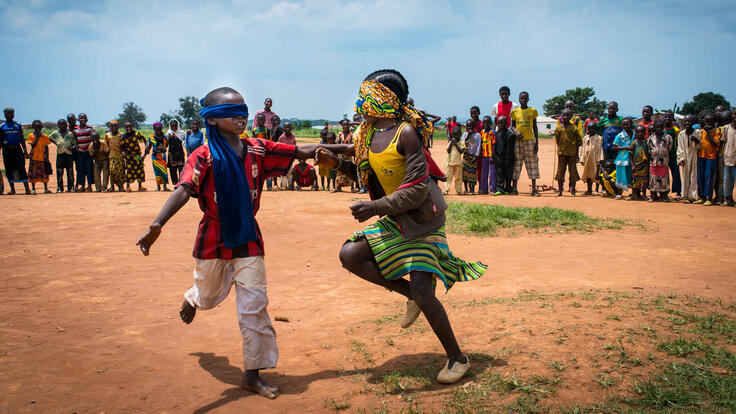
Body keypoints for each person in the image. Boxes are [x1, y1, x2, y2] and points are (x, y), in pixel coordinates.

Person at [136, 86, 326, 399]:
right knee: (210, 297)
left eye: (242, 111)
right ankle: (194, 296)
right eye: (230, 113)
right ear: (213, 120)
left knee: (254, 308)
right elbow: (184, 188)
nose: (240, 117)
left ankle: (252, 374)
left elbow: (300, 152)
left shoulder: (257, 149)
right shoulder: (204, 156)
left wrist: (348, 148)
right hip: (213, 237)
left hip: (248, 239)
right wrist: (157, 224)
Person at [316, 70, 486, 384]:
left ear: (383, 99)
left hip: (423, 221)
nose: (360, 101)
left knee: (425, 291)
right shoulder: (365, 135)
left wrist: (374, 207)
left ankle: (457, 359)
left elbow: (417, 189)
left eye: (366, 95)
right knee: (350, 254)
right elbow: (369, 177)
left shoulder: (406, 133)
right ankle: (410, 294)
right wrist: (338, 165)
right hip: (396, 219)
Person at [509, 91, 540, 196]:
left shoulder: (532, 111)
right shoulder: (515, 112)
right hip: (518, 141)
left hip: (530, 140)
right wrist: (516, 132)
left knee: (532, 164)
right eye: (521, 98)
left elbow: (535, 127)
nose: (523, 100)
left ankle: (534, 189)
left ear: (528, 99)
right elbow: (512, 126)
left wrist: (537, 143)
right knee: (517, 164)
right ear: (518, 99)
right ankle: (514, 188)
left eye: (525, 98)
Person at [0, 107, 31, 195]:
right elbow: (0, 140)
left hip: (17, 149)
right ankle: (12, 189)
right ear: (5, 114)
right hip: (6, 150)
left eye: (11, 113)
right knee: (8, 168)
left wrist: (25, 150)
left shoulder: (18, 125)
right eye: (8, 113)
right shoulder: (2, 126)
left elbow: (21, 138)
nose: (10, 115)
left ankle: (27, 189)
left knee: (21, 167)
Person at [554, 109, 582, 196]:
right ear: (561, 116)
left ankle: (573, 190)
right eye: (564, 115)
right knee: (560, 172)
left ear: (571, 117)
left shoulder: (574, 128)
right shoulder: (559, 128)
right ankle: (560, 191)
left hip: (572, 154)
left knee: (573, 171)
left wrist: (577, 154)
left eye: (568, 115)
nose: (566, 117)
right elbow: (557, 140)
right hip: (561, 153)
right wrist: (560, 149)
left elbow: (578, 142)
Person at [694, 113, 720, 205]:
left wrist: (709, 133)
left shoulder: (716, 131)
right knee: (700, 177)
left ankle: (709, 196)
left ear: (714, 122)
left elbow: (715, 143)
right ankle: (701, 196)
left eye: (710, 122)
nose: (708, 124)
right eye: (706, 122)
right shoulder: (701, 131)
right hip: (701, 155)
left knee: (708, 176)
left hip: (711, 157)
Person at [648, 118, 673, 202]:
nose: (659, 128)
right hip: (653, 161)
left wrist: (662, 152)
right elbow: (649, 149)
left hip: (664, 162)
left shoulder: (668, 137)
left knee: (664, 178)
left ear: (664, 127)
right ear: (654, 127)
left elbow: (669, 148)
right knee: (653, 178)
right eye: (657, 127)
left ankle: (664, 195)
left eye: (661, 127)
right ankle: (653, 195)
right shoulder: (651, 138)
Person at [49, 119, 76, 193]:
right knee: (59, 171)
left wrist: (72, 147)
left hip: (68, 154)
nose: (62, 126)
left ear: (66, 125)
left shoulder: (70, 133)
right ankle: (59, 187)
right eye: (61, 125)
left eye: (64, 124)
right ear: (58, 125)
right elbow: (49, 138)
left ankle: (71, 187)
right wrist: (56, 143)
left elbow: (74, 143)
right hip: (60, 154)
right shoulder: (56, 133)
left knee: (70, 171)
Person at [677, 115, 699, 203]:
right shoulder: (681, 134)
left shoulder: (697, 132)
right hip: (685, 158)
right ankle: (684, 195)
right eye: (685, 121)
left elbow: (700, 147)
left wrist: (696, 141)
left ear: (693, 122)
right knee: (685, 177)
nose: (687, 123)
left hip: (694, 157)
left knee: (694, 176)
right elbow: (680, 147)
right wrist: (681, 158)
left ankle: (692, 196)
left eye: (689, 121)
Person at [120, 122, 148, 192]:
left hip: (137, 156)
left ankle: (140, 186)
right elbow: (121, 147)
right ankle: (128, 186)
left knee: (140, 171)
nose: (128, 128)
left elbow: (144, 139)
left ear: (132, 127)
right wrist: (123, 152)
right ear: (124, 128)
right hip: (129, 157)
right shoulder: (123, 137)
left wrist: (146, 147)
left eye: (130, 127)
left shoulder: (136, 134)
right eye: (127, 127)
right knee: (129, 171)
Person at [26, 120, 52, 194]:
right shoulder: (31, 136)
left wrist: (47, 157)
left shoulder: (45, 136)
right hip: (34, 157)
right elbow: (33, 145)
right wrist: (37, 137)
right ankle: (33, 188)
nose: (38, 129)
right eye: (36, 127)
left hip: (42, 157)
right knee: (33, 173)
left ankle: (46, 188)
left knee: (44, 173)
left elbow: (46, 147)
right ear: (33, 127)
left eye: (39, 127)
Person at [612, 118, 634, 200]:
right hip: (622, 159)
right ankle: (619, 193)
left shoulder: (635, 134)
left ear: (631, 124)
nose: (625, 126)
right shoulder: (620, 135)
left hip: (633, 159)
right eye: (623, 125)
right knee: (620, 176)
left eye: (627, 124)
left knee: (632, 176)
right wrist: (626, 148)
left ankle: (634, 193)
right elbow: (615, 147)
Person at [493, 116, 515, 195]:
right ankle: (500, 189)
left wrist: (507, 159)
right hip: (498, 157)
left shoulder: (510, 135)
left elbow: (510, 149)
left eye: (502, 123)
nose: (500, 124)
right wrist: (494, 156)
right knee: (500, 174)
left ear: (506, 123)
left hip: (508, 158)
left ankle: (508, 189)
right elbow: (495, 145)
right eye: (498, 123)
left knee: (508, 174)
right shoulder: (497, 133)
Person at [579, 121, 603, 195]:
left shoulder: (599, 138)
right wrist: (582, 159)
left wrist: (600, 159)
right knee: (588, 174)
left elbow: (600, 149)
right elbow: (583, 149)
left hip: (595, 158)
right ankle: (589, 190)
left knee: (596, 174)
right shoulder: (585, 138)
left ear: (595, 129)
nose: (590, 130)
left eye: (592, 128)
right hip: (587, 159)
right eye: (588, 128)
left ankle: (596, 189)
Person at [663, 111, 681, 200]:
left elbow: (678, 142)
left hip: (673, 154)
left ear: (673, 118)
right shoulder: (661, 129)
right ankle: (665, 191)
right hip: (663, 156)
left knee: (676, 174)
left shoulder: (676, 130)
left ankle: (678, 192)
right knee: (664, 174)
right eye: (665, 117)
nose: (667, 119)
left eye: (669, 117)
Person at [599, 102, 624, 167]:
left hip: (617, 147)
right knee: (606, 164)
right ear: (607, 109)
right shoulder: (604, 120)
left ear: (617, 109)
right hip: (606, 147)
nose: (611, 110)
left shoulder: (621, 119)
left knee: (616, 164)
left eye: (613, 108)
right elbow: (597, 128)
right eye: (609, 108)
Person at [74, 113, 95, 192]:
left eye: (84, 118)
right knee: (81, 169)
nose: (83, 120)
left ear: (87, 120)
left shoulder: (90, 129)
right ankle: (82, 185)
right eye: (81, 118)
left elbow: (93, 138)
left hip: (88, 152)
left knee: (89, 169)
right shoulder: (75, 130)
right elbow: (75, 140)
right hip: (80, 152)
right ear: (78, 120)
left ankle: (89, 186)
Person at [720, 109, 736, 206]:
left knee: (733, 179)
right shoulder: (726, 128)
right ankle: (727, 198)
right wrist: (722, 156)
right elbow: (723, 143)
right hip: (728, 157)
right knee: (727, 179)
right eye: (735, 114)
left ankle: (731, 198)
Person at [630, 125, 650, 200]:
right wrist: (632, 165)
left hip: (644, 165)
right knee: (635, 181)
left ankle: (644, 195)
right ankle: (634, 195)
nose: (640, 134)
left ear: (645, 133)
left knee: (644, 181)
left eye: (642, 132)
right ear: (635, 133)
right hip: (636, 165)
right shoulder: (634, 143)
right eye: (638, 132)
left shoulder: (646, 142)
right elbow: (630, 154)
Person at [334, 120, 355, 192]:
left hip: (349, 155)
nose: (345, 126)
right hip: (341, 155)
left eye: (347, 125)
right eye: (343, 125)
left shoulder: (352, 134)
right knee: (340, 170)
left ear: (349, 126)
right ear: (341, 126)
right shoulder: (339, 134)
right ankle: (338, 187)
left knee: (350, 170)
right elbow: (337, 143)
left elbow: (353, 144)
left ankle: (352, 188)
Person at [148, 122, 169, 191]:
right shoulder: (151, 137)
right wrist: (146, 150)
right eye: (157, 129)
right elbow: (149, 147)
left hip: (162, 156)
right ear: (154, 129)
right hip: (155, 156)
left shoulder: (164, 137)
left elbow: (166, 145)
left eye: (160, 129)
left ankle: (165, 187)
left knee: (164, 171)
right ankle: (158, 187)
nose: (158, 131)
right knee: (157, 171)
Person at [106, 120, 126, 192]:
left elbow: (124, 145)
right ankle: (112, 186)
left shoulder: (121, 135)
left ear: (118, 126)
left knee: (120, 172)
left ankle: (121, 186)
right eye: (112, 126)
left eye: (115, 126)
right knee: (112, 171)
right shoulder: (107, 135)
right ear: (110, 127)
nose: (114, 127)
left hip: (120, 156)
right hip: (111, 156)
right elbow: (106, 145)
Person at [461, 119, 481, 194]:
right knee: (465, 172)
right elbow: (463, 144)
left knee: (472, 173)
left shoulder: (477, 135)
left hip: (473, 157)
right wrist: (468, 135)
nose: (469, 127)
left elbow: (478, 146)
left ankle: (472, 189)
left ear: (474, 126)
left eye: (471, 126)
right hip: (466, 156)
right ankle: (466, 189)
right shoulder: (465, 134)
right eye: (468, 126)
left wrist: (476, 156)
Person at [444, 125, 464, 195]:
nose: (456, 136)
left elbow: (461, 151)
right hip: (450, 162)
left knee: (458, 178)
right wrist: (451, 144)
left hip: (458, 163)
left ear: (460, 135)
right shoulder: (450, 142)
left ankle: (458, 190)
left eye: (457, 135)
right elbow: (448, 151)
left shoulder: (462, 142)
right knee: (448, 177)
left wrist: (455, 144)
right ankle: (446, 189)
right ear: (452, 135)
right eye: (454, 135)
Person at [165, 120, 186, 185]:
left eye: (175, 126)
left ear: (178, 125)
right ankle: (175, 184)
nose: (174, 127)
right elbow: (165, 145)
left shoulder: (182, 133)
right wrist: (168, 139)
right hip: (172, 155)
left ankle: (181, 183)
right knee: (173, 170)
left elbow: (187, 141)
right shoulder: (168, 134)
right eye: (172, 126)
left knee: (181, 169)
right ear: (170, 126)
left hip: (180, 153)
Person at [478, 116, 496, 194]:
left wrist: (492, 155)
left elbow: (494, 144)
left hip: (491, 155)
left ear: (490, 123)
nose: (485, 124)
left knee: (492, 173)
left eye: (487, 122)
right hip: (484, 155)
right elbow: (481, 143)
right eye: (484, 122)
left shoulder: (492, 132)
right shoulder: (481, 132)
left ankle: (492, 189)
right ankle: (484, 189)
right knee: (484, 173)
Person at [277, 122, 297, 189]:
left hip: (290, 156)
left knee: (290, 171)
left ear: (291, 128)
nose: (287, 129)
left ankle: (290, 184)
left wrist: (293, 154)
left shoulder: (293, 135)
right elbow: (279, 147)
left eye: (289, 127)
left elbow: (294, 145)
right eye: (286, 127)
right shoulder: (281, 137)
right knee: (284, 171)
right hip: (283, 157)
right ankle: (284, 185)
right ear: (283, 129)